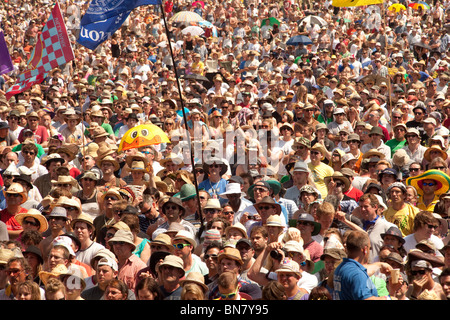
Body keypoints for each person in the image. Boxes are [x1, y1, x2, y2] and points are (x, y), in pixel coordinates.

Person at [333, 230, 393, 300]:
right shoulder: (357, 274)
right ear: (365, 250)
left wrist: (380, 265)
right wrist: (389, 298)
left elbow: (361, 270)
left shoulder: (341, 268)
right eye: (369, 248)